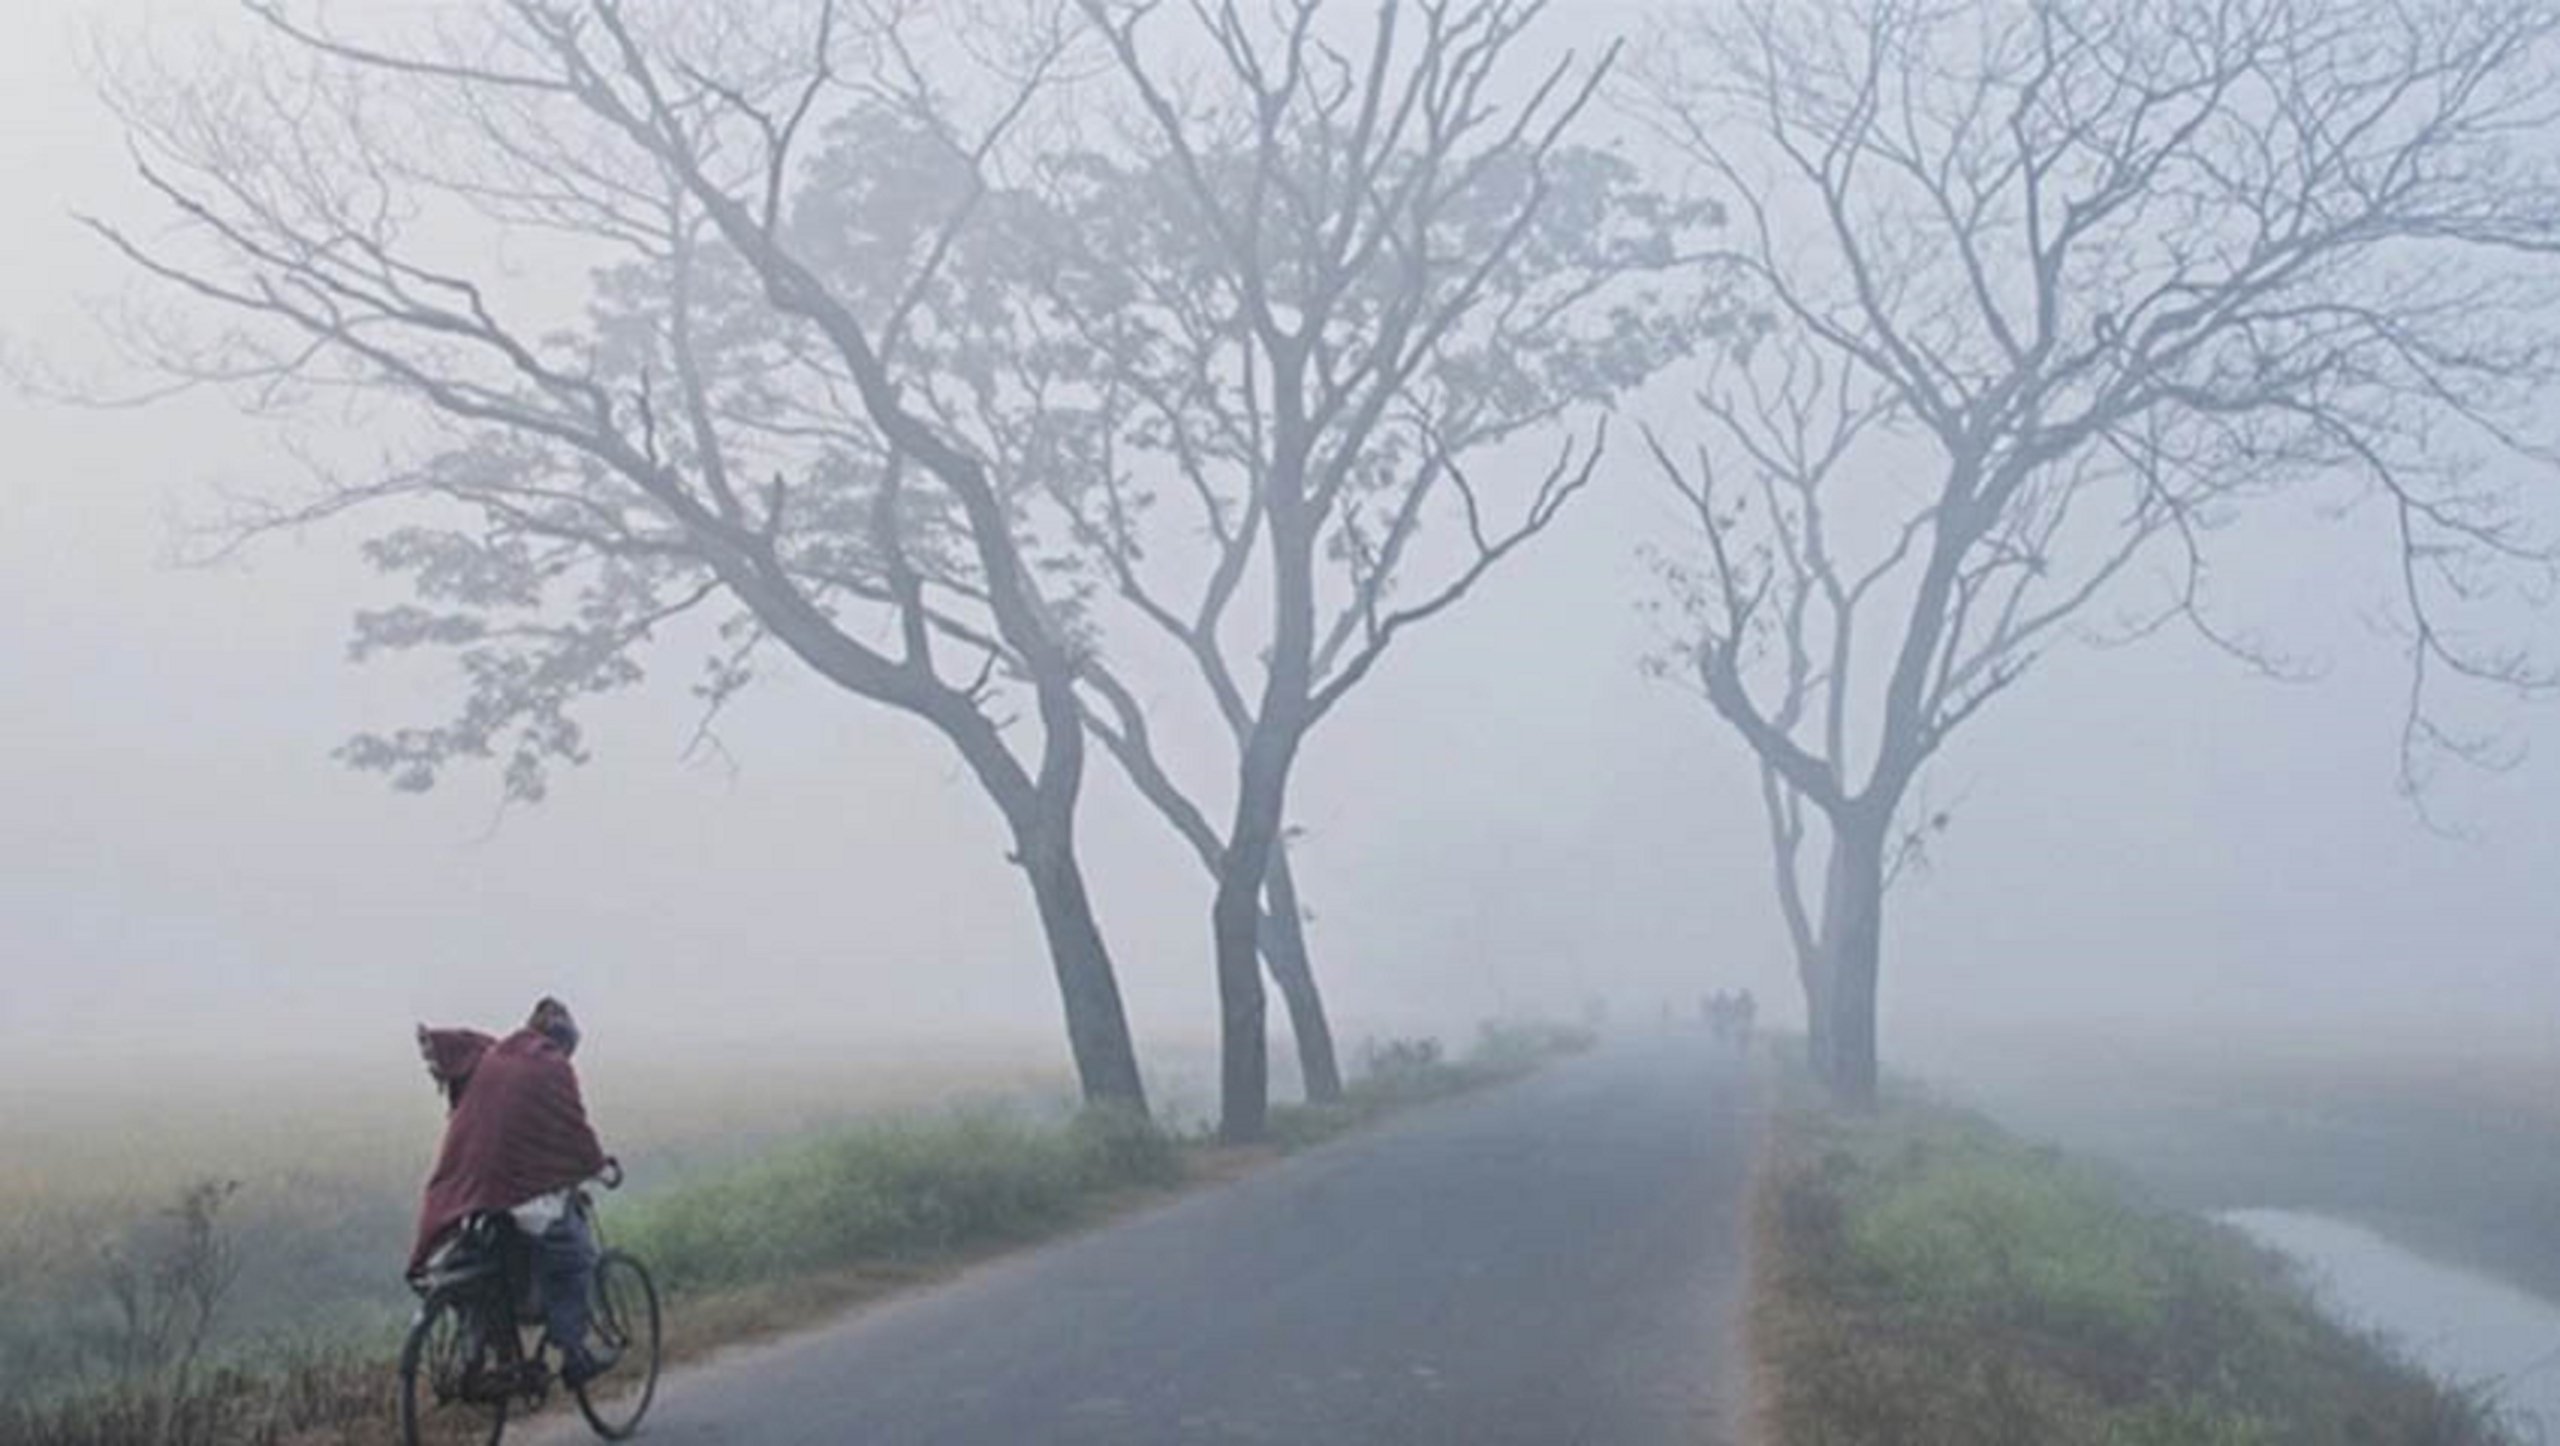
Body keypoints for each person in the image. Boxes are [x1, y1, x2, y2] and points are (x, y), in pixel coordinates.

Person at [410, 997, 619, 1387]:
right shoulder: (553, 1067)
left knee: (486, 1265)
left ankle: (487, 1354)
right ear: (564, 1042)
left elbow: (461, 1046)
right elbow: (574, 1128)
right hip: (518, 1189)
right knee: (576, 1259)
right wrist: (596, 1165)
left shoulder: (496, 1055)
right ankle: (574, 1354)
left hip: (471, 1189)